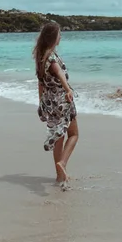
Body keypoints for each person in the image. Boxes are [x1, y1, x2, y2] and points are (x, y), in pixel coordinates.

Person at [33, 22, 78, 191]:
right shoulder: (52, 58)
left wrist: (40, 103)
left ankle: (60, 177)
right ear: (53, 37)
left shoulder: (40, 57)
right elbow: (59, 73)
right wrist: (68, 90)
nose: (61, 37)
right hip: (62, 100)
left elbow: (40, 84)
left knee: (59, 138)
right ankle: (63, 163)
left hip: (50, 102)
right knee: (74, 134)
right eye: (59, 34)